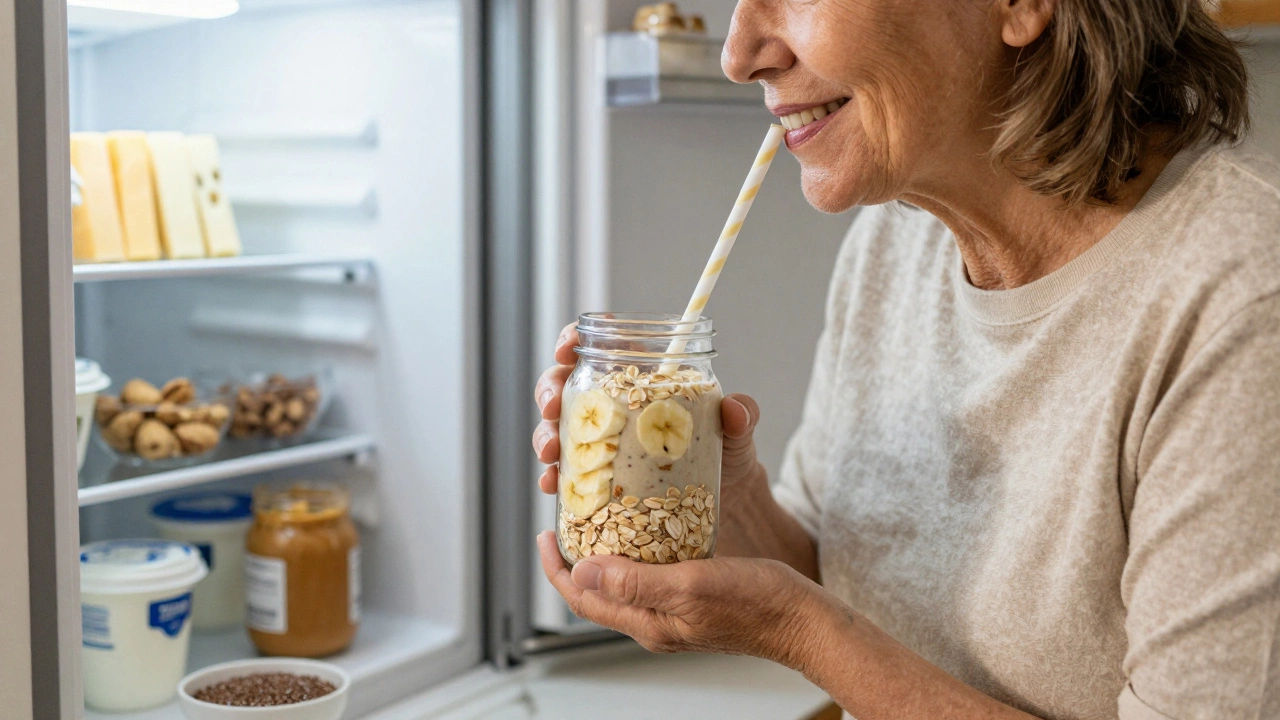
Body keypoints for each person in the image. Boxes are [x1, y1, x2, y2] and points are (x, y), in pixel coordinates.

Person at [533, 1, 1280, 717]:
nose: (740, 54)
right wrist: (718, 492)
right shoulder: (900, 237)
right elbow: (839, 573)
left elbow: (821, 620)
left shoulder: (1242, 302)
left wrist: (798, 632)